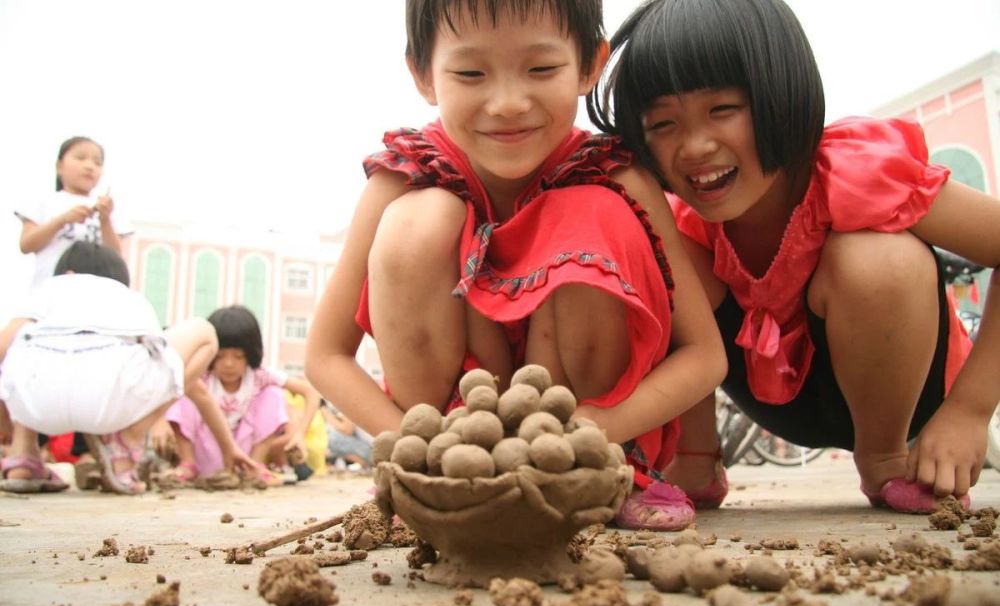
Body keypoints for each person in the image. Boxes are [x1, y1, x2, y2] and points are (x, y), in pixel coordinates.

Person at [305, 0, 726, 530]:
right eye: (471, 73)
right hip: (453, 429)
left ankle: (606, 475)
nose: (507, 103)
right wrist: (417, 447)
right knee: (417, 222)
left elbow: (705, 355)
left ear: (589, 65)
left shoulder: (616, 176)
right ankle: (444, 477)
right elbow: (324, 357)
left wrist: (597, 429)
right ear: (423, 74)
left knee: (588, 211)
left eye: (541, 69)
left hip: (593, 430)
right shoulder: (404, 176)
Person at [589, 0, 1000, 513]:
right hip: (779, 404)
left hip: (906, 394)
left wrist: (969, 410)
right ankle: (695, 457)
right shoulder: (679, 219)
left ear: (781, 96)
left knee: (879, 258)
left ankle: (883, 460)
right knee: (658, 250)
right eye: (663, 124)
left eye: (722, 110)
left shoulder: (857, 171)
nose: (694, 146)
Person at [0, 242, 256, 494]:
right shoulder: (125, 298)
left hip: (36, 405)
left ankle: (23, 456)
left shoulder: (49, 291)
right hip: (112, 404)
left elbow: (3, 347)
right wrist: (229, 448)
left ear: (66, 272)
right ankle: (129, 441)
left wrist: (6, 423)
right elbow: (179, 375)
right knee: (203, 331)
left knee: (25, 353)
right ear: (118, 278)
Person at [161, 305, 321, 484]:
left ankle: (255, 466)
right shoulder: (203, 376)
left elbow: (311, 392)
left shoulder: (260, 376)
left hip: (243, 454)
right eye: (220, 356)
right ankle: (187, 464)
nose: (229, 364)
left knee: (274, 394)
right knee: (187, 384)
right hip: (206, 450)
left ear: (250, 354)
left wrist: (300, 434)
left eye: (238, 356)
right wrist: (160, 423)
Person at [15, 136, 131, 291]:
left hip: (95, 291)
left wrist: (105, 220)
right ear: (59, 166)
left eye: (97, 162)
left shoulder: (109, 210)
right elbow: (26, 245)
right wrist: (63, 220)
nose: (90, 166)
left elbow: (116, 255)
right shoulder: (45, 202)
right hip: (49, 287)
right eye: (80, 158)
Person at [321, 399, 373, 470]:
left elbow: (347, 429)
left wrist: (326, 414)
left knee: (331, 436)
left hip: (372, 450)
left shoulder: (344, 400)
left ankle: (367, 464)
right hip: (371, 448)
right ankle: (366, 464)